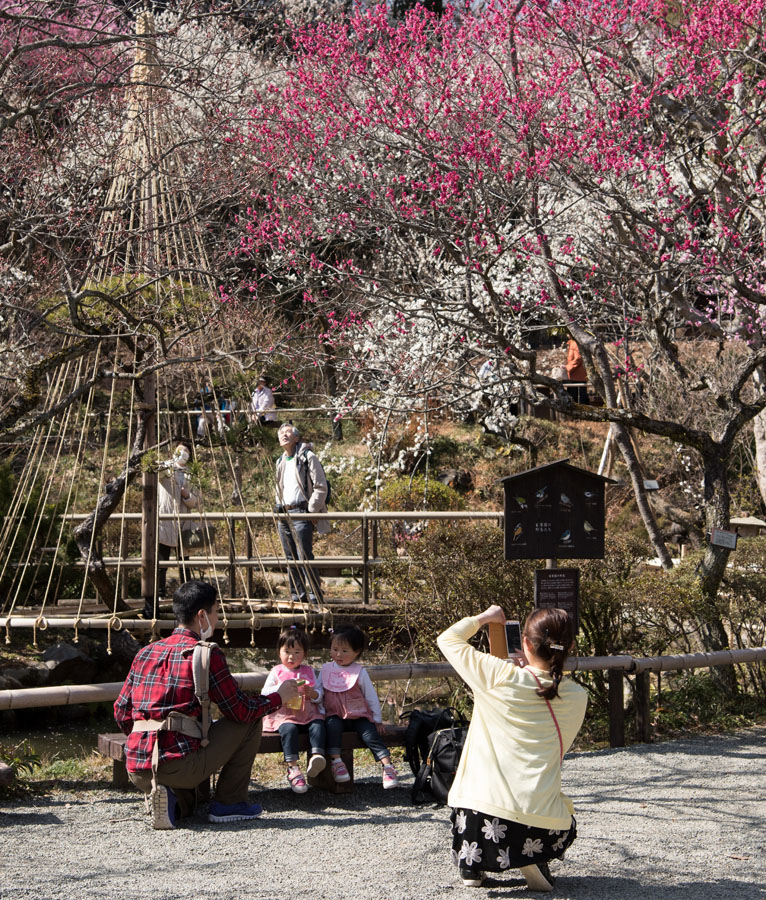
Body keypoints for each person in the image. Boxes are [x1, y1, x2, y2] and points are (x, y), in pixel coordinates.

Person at [115, 580, 299, 829]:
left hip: (137, 767)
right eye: (215, 612)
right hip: (179, 765)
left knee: (189, 797)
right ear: (202, 616)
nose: (217, 618)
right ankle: (229, 803)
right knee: (252, 718)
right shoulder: (205, 653)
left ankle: (172, 798)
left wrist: (146, 743)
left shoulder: (145, 652)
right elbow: (240, 710)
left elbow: (121, 711)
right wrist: (278, 697)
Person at [436, 605, 587, 891]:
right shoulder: (578, 697)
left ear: (525, 643)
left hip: (481, 822)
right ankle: (531, 857)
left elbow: (447, 639)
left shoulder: (499, 676)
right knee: (556, 810)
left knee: (476, 793)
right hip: (543, 828)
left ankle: (472, 865)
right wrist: (527, 673)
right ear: (571, 646)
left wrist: (485, 618)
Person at [319, 625, 399, 789]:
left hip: (358, 715)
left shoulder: (359, 672)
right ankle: (337, 761)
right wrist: (319, 713)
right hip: (334, 714)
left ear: (357, 652)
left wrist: (377, 720)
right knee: (332, 727)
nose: (338, 654)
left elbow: (370, 696)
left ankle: (388, 766)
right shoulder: (326, 669)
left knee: (370, 734)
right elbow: (319, 693)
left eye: (344, 650)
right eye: (335, 649)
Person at [262, 626, 326, 793]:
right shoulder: (277, 671)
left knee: (318, 724)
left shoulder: (309, 671)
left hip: (307, 713)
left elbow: (320, 695)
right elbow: (264, 693)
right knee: (288, 729)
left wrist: (312, 693)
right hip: (286, 715)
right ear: (279, 652)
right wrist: (280, 689)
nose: (292, 656)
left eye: (297, 652)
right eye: (287, 651)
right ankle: (293, 768)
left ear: (304, 654)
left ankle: (317, 756)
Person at [274, 423, 330, 603]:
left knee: (304, 555)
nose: (284, 434)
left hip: (301, 511)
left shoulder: (308, 456)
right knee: (290, 558)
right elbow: (279, 487)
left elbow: (321, 486)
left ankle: (315, 594)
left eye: (288, 432)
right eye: (281, 432)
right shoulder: (280, 461)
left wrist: (312, 510)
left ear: (297, 437)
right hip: (284, 512)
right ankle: (297, 595)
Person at [146, 441, 197, 618]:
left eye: (186, 452)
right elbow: (154, 470)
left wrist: (186, 495)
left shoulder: (191, 473)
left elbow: (195, 501)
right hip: (166, 520)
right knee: (162, 559)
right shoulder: (166, 469)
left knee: (184, 561)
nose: (183, 454)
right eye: (180, 451)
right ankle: (159, 593)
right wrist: (166, 463)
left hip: (184, 521)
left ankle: (187, 594)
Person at [565, 338, 589, 404]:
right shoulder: (572, 342)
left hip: (577, 375)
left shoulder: (575, 342)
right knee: (576, 397)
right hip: (575, 375)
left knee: (578, 399)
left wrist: (567, 367)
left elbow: (578, 358)